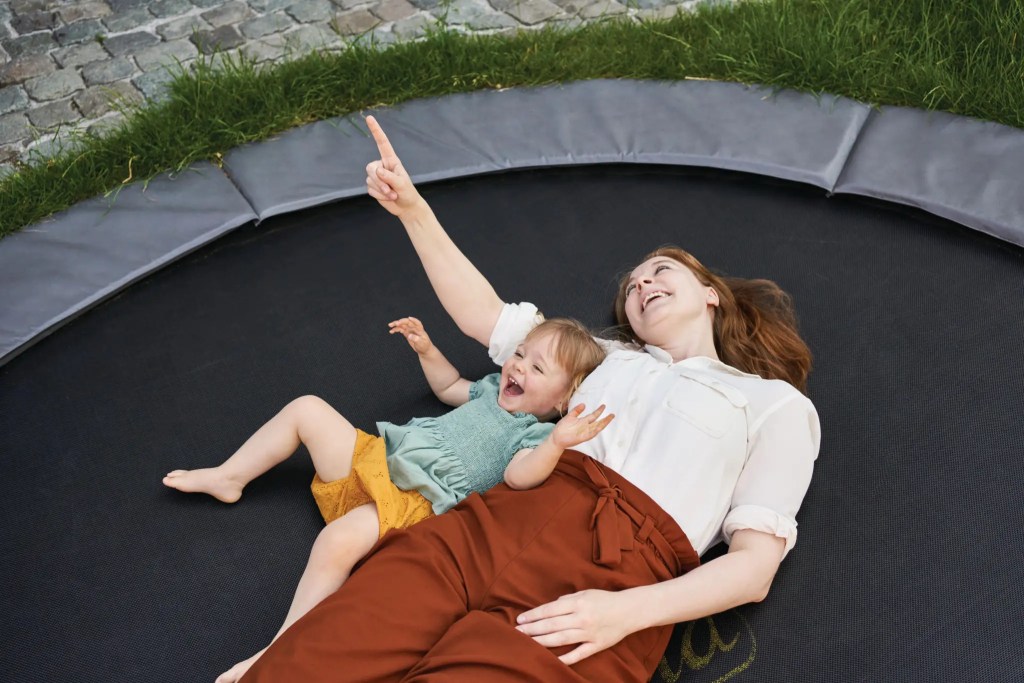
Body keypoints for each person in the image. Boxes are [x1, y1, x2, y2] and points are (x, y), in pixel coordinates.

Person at [238, 116, 821, 683]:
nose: (642, 284)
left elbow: (752, 569)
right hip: (497, 520)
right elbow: (483, 314)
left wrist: (625, 612)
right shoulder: (600, 359)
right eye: (633, 285)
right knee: (313, 657)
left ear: (711, 294)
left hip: (613, 577)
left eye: (659, 272)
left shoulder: (774, 404)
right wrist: (413, 210)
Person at [163, 315, 610, 683]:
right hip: (378, 460)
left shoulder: (534, 434)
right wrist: (427, 351)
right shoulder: (491, 388)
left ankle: (277, 649)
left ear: (564, 398)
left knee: (337, 542)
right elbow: (450, 386)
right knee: (307, 409)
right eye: (520, 354)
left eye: (538, 369)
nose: (518, 368)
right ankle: (229, 476)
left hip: (411, 502)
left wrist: (557, 444)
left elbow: (519, 477)